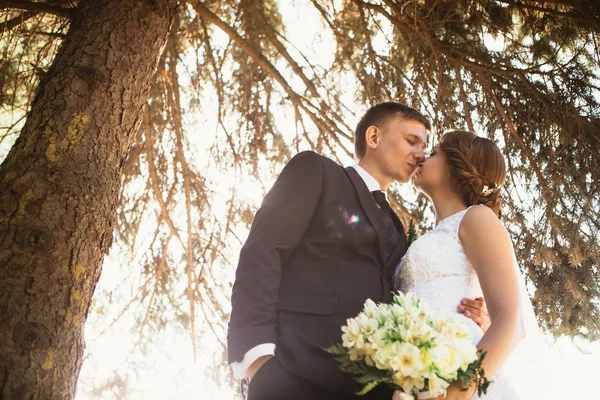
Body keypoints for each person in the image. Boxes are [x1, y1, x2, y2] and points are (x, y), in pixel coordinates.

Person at [227, 103, 490, 400]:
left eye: (425, 146)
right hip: (291, 370)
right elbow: (263, 252)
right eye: (411, 140)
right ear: (374, 137)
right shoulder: (318, 172)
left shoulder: (400, 234)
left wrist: (470, 318)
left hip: (368, 388)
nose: (420, 154)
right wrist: (257, 360)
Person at [394, 130, 544, 399]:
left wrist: (456, 394)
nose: (421, 158)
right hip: (414, 371)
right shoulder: (434, 234)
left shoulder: (478, 218)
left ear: (456, 165)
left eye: (434, 153)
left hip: (457, 379)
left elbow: (511, 322)